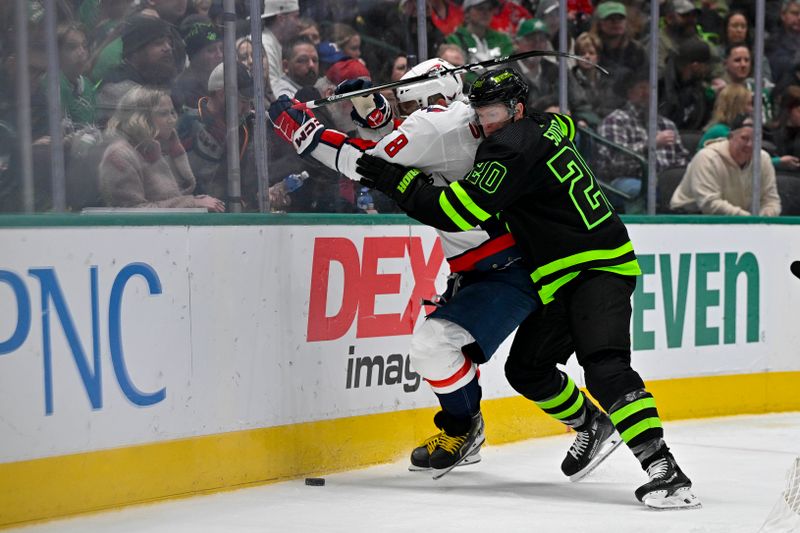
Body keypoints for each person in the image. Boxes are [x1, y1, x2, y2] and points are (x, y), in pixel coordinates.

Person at [354, 67, 700, 509]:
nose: (485, 121)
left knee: (605, 367)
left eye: (495, 111)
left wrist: (397, 182)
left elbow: (458, 214)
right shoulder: (546, 124)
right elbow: (567, 125)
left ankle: (666, 471)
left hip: (597, 267)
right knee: (527, 370)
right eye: (480, 111)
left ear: (517, 109)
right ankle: (591, 423)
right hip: (560, 273)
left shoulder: (511, 146)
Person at [268, 59, 622, 480]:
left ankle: (463, 429)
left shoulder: (433, 126)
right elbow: (411, 151)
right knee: (526, 369)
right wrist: (377, 118)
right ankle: (586, 422)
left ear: (429, 101)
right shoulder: (477, 122)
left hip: (504, 268)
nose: (407, 117)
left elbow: (368, 164)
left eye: (408, 106)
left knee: (436, 346)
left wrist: (305, 131)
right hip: (513, 260)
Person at [99, 86, 225, 211]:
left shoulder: (163, 148)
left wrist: (197, 201)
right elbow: (131, 213)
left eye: (172, 112)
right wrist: (191, 203)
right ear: (140, 118)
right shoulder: (120, 155)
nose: (172, 119)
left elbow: (168, 200)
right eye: (163, 113)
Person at [596, 68, 689, 212]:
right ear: (630, 93)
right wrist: (650, 145)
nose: (647, 93)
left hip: (663, 182)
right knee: (637, 190)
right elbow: (613, 166)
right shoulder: (615, 120)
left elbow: (683, 160)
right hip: (625, 181)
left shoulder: (666, 124)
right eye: (642, 88)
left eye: (651, 88)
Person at [177, 62, 259, 211]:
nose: (248, 109)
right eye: (243, 102)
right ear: (222, 94)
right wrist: (191, 201)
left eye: (250, 102)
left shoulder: (246, 129)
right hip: (191, 217)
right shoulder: (187, 124)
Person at [671, 114, 782, 216]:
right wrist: (750, 220)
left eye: (756, 139)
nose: (750, 145)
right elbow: (709, 203)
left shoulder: (763, 159)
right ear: (730, 137)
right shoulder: (707, 158)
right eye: (744, 138)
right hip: (690, 218)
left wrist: (766, 216)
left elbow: (771, 200)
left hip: (738, 218)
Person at [172, 16, 223, 111]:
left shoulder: (222, 79)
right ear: (195, 55)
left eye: (221, 48)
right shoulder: (184, 90)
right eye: (211, 50)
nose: (219, 55)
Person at [445, 0, 513, 64]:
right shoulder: (453, 40)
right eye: (480, 8)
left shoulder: (502, 38)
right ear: (467, 13)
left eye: (490, 9)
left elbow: (511, 64)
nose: (486, 13)